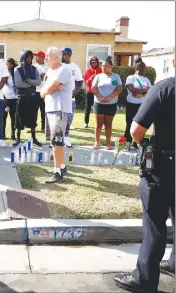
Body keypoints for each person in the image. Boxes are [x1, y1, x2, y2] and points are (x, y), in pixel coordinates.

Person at [114, 61, 175, 293]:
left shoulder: (164, 88)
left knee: (155, 224)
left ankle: (145, 280)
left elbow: (136, 130)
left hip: (164, 165)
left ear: (174, 62)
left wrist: (143, 144)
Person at [41, 47, 72, 183]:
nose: (45, 58)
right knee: (56, 140)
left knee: (57, 141)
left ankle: (58, 173)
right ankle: (62, 166)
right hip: (51, 108)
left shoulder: (64, 70)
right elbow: (46, 88)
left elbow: (50, 88)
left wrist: (49, 89)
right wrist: (49, 90)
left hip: (59, 109)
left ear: (55, 58)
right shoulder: (50, 71)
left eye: (47, 56)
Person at [91, 56, 122, 150]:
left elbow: (119, 89)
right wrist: (101, 97)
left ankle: (108, 143)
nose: (104, 67)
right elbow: (93, 88)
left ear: (111, 67)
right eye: (103, 66)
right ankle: (96, 142)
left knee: (108, 125)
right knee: (98, 124)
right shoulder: (98, 76)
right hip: (99, 104)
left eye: (106, 66)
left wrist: (109, 98)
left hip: (111, 104)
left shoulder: (116, 76)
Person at [14, 50, 42, 147]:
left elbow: (38, 82)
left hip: (32, 98)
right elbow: (18, 83)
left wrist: (28, 81)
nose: (29, 59)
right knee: (19, 119)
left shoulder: (34, 69)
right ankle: (18, 139)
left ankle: (33, 138)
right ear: (23, 58)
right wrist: (31, 84)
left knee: (33, 118)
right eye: (27, 57)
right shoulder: (17, 69)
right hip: (21, 98)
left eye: (30, 57)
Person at [124, 62, 151, 148]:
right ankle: (127, 142)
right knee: (129, 124)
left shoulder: (146, 80)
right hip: (131, 105)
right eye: (143, 68)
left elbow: (150, 90)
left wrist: (139, 92)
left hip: (142, 105)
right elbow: (132, 90)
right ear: (137, 69)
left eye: (145, 68)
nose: (144, 70)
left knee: (139, 124)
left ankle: (137, 143)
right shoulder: (131, 78)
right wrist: (144, 90)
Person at [61, 47, 84, 148]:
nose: (62, 56)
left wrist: (74, 93)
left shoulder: (75, 67)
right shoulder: (58, 66)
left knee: (68, 119)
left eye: (64, 54)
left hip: (70, 99)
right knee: (58, 119)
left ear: (69, 56)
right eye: (62, 54)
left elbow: (80, 82)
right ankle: (56, 138)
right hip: (58, 97)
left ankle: (66, 137)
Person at [83, 56, 102, 128]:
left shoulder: (101, 70)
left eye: (95, 62)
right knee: (88, 108)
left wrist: (97, 78)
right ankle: (86, 122)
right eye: (92, 63)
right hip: (90, 92)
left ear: (97, 62)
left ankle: (99, 123)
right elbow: (86, 82)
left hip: (98, 92)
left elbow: (104, 80)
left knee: (99, 108)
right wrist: (90, 79)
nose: (94, 64)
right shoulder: (88, 71)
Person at [2, 58, 18, 140]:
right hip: (5, 98)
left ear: (11, 65)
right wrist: (3, 97)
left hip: (14, 98)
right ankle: (2, 134)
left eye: (7, 64)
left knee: (13, 117)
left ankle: (13, 134)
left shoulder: (15, 74)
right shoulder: (4, 73)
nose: (6, 65)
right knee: (3, 117)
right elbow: (0, 86)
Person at [34, 51, 48, 133]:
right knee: (34, 110)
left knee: (44, 110)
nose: (35, 58)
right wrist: (40, 75)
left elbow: (46, 76)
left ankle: (43, 127)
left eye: (37, 56)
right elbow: (37, 76)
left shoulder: (47, 66)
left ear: (42, 57)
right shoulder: (34, 66)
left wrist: (41, 75)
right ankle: (33, 127)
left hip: (44, 91)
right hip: (35, 91)